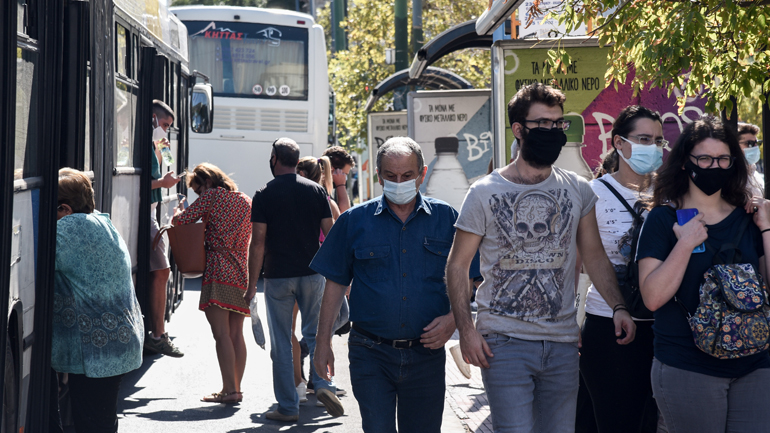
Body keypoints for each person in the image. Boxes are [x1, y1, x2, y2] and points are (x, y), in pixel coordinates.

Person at [445, 83, 635, 433]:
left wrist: (618, 307)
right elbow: (457, 266)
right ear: (519, 130)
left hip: (562, 344)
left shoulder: (578, 189)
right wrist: (466, 330)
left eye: (558, 124)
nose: (553, 132)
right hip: (503, 343)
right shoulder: (484, 192)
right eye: (543, 124)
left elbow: (594, 257)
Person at [311, 137, 479, 433]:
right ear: (379, 176)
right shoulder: (354, 221)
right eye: (390, 176)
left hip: (426, 355)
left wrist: (454, 320)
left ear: (422, 174)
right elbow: (335, 283)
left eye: (407, 176)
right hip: (370, 352)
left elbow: (470, 277)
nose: (398, 182)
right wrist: (322, 342)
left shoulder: (447, 219)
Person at [637, 116, 770, 432]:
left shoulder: (749, 217)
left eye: (723, 159)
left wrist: (766, 227)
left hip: (755, 365)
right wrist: (684, 244)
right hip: (688, 366)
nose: (715, 167)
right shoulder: (662, 220)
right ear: (686, 162)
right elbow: (652, 297)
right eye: (705, 159)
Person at [578, 106, 665, 433]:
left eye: (658, 141)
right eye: (643, 139)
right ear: (619, 142)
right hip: (609, 328)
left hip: (663, 328)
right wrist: (570, 322)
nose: (652, 148)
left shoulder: (672, 194)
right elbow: (576, 266)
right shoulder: (593, 194)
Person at [246, 138, 338, 422]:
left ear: (274, 158)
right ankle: (323, 385)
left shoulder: (264, 194)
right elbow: (331, 234)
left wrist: (251, 286)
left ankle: (287, 406)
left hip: (278, 277)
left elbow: (258, 243)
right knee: (316, 333)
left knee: (283, 341)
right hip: (313, 274)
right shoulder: (316, 191)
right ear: (297, 162)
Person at [52, 168, 144, 432]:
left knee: (93, 423)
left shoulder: (69, 228)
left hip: (99, 351)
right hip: (119, 342)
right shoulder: (101, 221)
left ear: (65, 208)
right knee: (99, 419)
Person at [173, 163, 252, 404]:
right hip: (241, 270)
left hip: (218, 268)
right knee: (237, 334)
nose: (200, 195)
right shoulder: (245, 199)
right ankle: (236, 388)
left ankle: (229, 390)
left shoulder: (213, 196)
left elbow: (182, 221)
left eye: (198, 190)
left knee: (221, 335)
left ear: (207, 182)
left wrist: (180, 209)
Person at [292, 155, 341, 402]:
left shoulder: (293, 197)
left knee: (291, 331)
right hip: (318, 272)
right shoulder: (325, 199)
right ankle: (320, 380)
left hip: (291, 270)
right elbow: (337, 237)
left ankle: (301, 384)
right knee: (321, 326)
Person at [144, 99, 184, 358]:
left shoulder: (155, 145)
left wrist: (162, 151)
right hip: (147, 216)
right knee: (162, 270)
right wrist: (163, 182)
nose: (166, 131)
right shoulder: (142, 145)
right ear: (155, 121)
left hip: (151, 215)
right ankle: (158, 334)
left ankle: (158, 332)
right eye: (165, 125)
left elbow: (162, 174)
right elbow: (146, 183)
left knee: (161, 270)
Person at [323, 146, 356, 212]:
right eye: (344, 174)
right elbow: (344, 214)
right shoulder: (321, 191)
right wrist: (340, 185)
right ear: (333, 170)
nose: (345, 178)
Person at [737, 122, 764, 197]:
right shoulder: (732, 177)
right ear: (735, 145)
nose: (755, 147)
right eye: (750, 143)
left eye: (757, 143)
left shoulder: (756, 175)